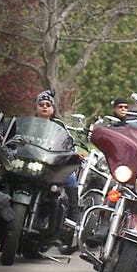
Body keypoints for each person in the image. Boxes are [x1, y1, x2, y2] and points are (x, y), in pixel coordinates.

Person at [34, 89, 80, 253]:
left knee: (71, 179)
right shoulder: (30, 124)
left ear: (53, 109)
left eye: (48, 105)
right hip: (34, 164)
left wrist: (72, 154)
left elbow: (69, 144)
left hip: (53, 166)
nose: (45, 107)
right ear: (36, 107)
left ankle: (74, 223)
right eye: (41, 105)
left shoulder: (59, 126)